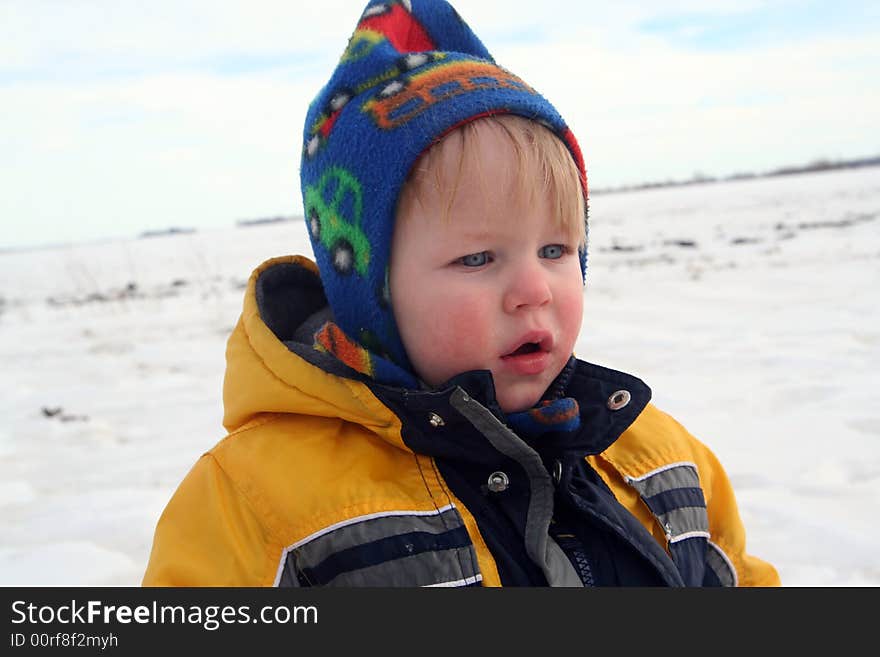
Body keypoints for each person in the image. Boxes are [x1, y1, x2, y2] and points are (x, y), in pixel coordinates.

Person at [143, 0, 779, 587]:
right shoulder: (261, 505)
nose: (533, 290)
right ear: (373, 292)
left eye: (556, 250)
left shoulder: (659, 458)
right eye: (477, 258)